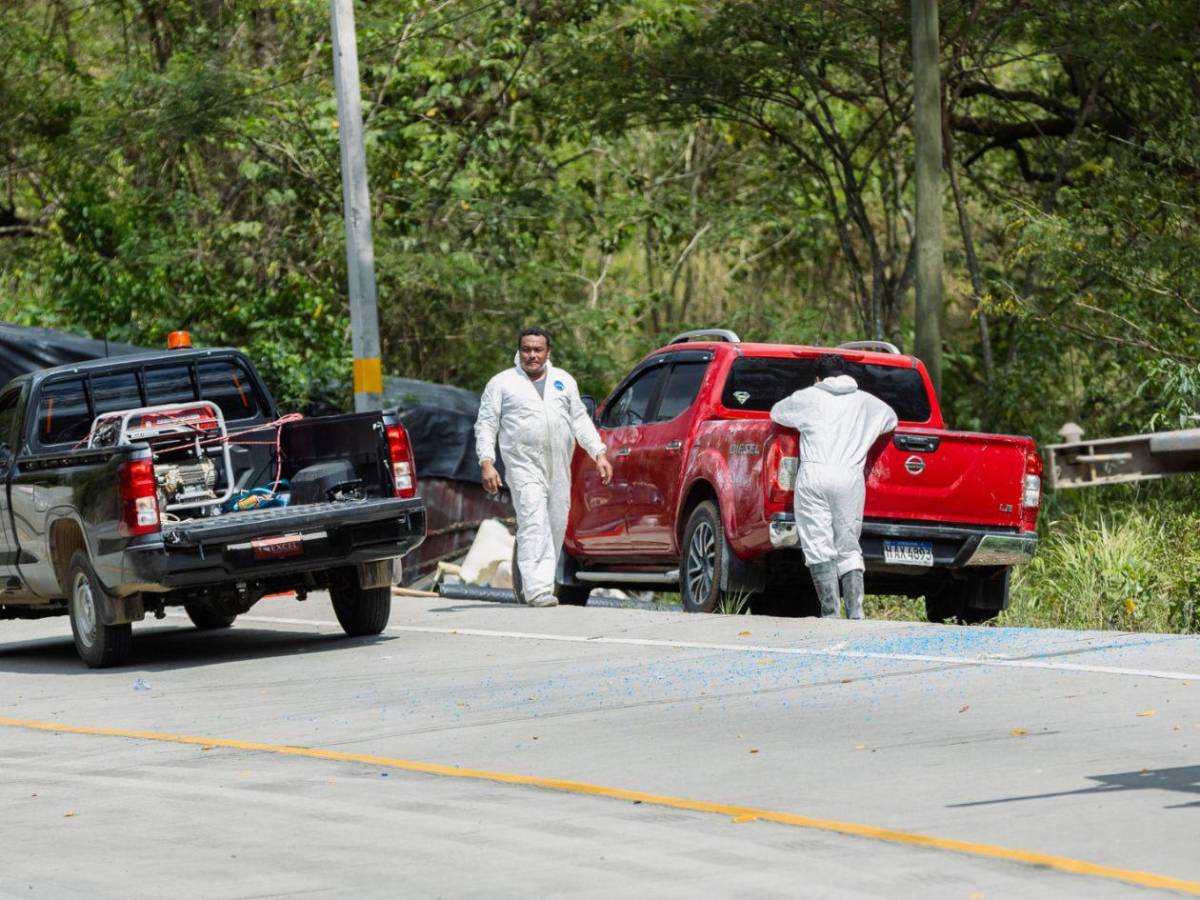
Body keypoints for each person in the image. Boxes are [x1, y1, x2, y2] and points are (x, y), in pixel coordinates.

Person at [474, 326, 613, 607]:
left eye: (538, 350)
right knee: (533, 520)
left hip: (559, 465)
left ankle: (543, 586)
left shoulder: (563, 381)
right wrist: (487, 462)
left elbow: (580, 420)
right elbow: (486, 424)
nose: (532, 355)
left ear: (548, 352)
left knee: (555, 524)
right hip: (523, 464)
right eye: (527, 349)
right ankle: (536, 590)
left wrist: (598, 452)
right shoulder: (502, 383)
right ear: (519, 351)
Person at [769, 353, 897, 619]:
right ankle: (856, 613)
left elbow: (777, 413)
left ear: (818, 378)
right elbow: (891, 420)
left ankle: (830, 614)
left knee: (818, 544)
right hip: (849, 477)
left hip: (814, 474)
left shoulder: (806, 397)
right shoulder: (868, 402)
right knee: (848, 545)